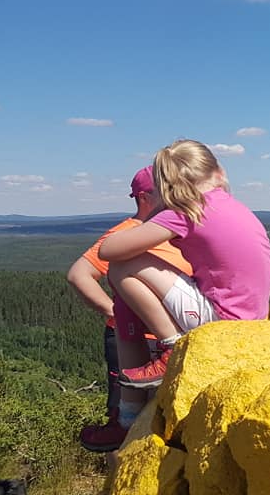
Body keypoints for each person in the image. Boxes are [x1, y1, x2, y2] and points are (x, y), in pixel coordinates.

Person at [99, 139, 270, 389]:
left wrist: (156, 211)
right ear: (219, 171)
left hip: (225, 320)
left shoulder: (187, 210)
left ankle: (173, 348)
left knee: (122, 266)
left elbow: (109, 250)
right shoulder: (232, 205)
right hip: (254, 316)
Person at [69, 166, 192, 452]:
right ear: (144, 197)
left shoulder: (176, 228)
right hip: (131, 339)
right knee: (126, 421)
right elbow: (79, 274)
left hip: (170, 338)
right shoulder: (125, 233)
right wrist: (116, 312)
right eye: (168, 190)